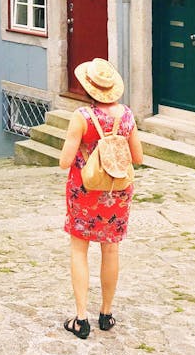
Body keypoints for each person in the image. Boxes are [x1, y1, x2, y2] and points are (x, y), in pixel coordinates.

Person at [58, 57, 144, 339]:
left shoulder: (81, 117)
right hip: (116, 192)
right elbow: (138, 157)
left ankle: (81, 318)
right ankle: (106, 314)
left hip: (85, 191)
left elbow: (64, 161)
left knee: (79, 250)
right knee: (110, 250)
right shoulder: (127, 116)